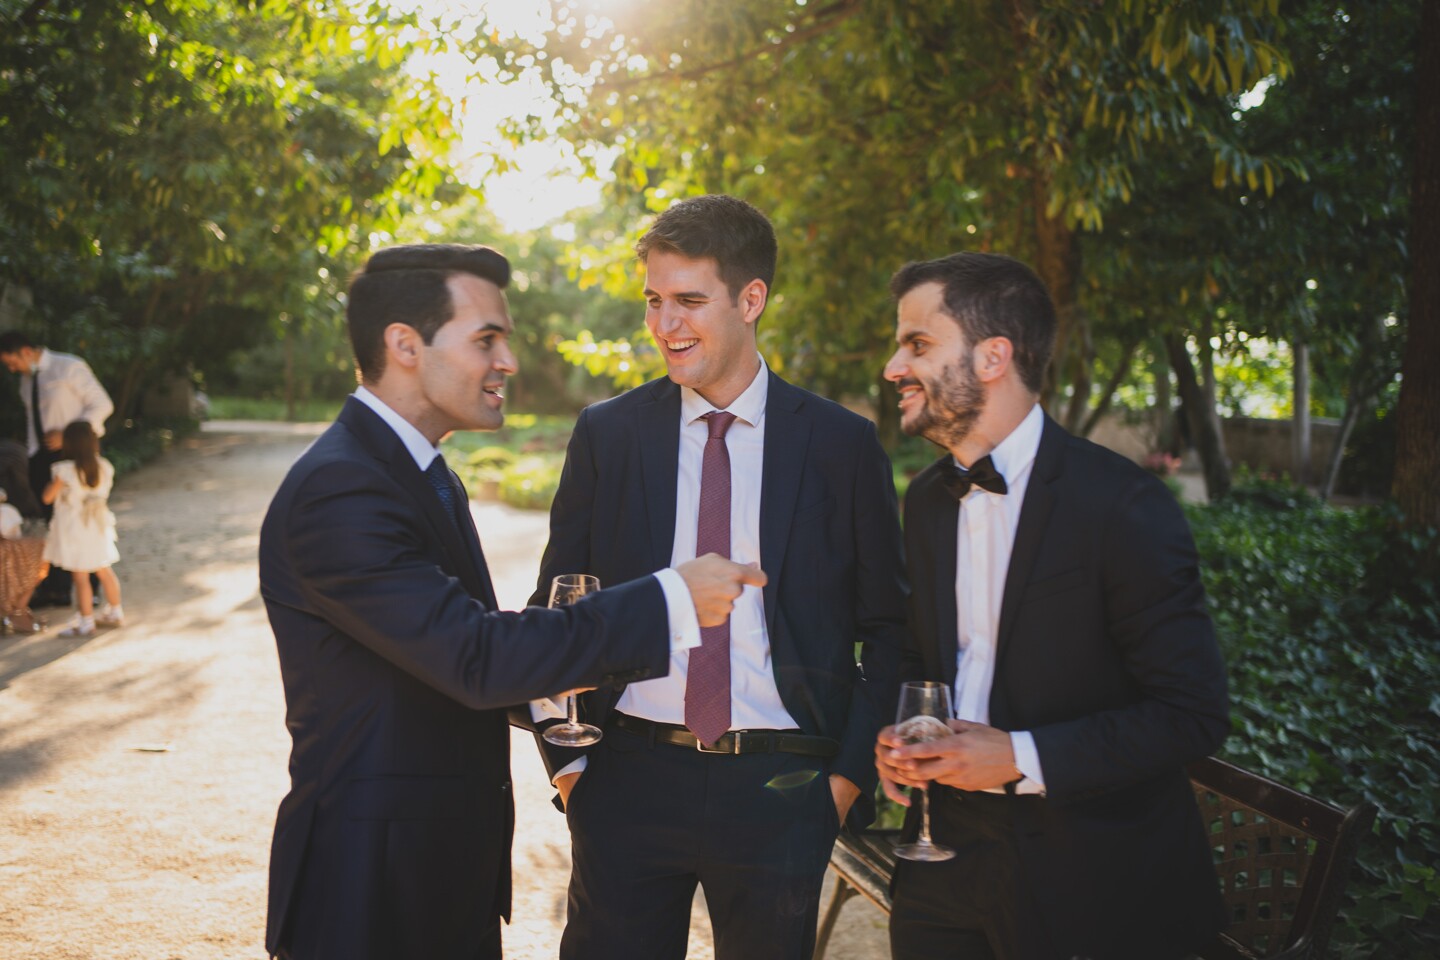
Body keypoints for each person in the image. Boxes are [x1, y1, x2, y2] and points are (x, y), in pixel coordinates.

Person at [258, 242, 764, 960]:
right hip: (369, 892)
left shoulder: (422, 474)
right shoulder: (341, 490)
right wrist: (669, 599)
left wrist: (559, 707)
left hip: (438, 877)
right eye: (486, 339)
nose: (508, 363)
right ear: (404, 345)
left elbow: (450, 645)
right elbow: (476, 656)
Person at [531, 195, 908, 960]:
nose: (665, 325)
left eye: (689, 301)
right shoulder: (608, 435)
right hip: (626, 778)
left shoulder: (841, 446)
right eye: (654, 301)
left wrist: (838, 789)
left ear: (751, 299)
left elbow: (893, 629)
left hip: (783, 793)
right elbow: (557, 613)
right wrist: (571, 770)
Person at [873, 251, 1230, 960]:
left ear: (993, 356)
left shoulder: (1123, 506)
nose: (893, 367)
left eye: (917, 343)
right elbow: (925, 656)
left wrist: (1017, 755)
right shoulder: (926, 500)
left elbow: (1193, 714)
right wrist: (908, 732)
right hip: (943, 858)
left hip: (1092, 876)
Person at [0, 331, 114, 606]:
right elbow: (32, 421)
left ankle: (92, 588)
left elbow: (103, 405)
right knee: (53, 521)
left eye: (11, 362)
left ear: (26, 351)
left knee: (81, 518)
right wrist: (30, 455)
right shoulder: (26, 383)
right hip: (42, 458)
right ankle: (58, 588)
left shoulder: (69, 367)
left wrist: (68, 435)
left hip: (76, 456)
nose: (11, 369)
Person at [41, 421, 123, 638]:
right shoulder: (104, 466)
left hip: (75, 529)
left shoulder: (64, 470)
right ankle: (115, 611)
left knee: (80, 577)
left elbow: (47, 497)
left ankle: (86, 620)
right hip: (97, 525)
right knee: (104, 569)